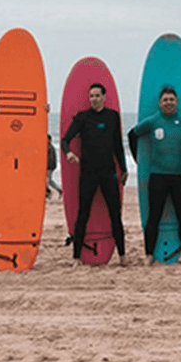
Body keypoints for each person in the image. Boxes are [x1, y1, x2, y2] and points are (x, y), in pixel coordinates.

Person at [128, 86, 181, 264]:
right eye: (165, 100)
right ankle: (148, 256)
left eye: (171, 100)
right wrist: (138, 160)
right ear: (160, 103)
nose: (168, 103)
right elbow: (132, 135)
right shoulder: (153, 121)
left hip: (180, 177)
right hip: (158, 178)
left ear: (176, 102)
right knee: (153, 217)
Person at [62, 82, 130, 264]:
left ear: (104, 97)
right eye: (91, 96)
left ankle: (123, 256)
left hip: (109, 172)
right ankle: (76, 257)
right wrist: (69, 153)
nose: (94, 99)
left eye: (97, 95)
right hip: (88, 173)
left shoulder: (113, 117)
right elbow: (65, 140)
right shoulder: (83, 118)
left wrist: (124, 168)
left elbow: (118, 146)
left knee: (115, 214)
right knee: (82, 214)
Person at [46, 134, 60, 201]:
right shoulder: (51, 146)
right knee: (49, 180)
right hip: (51, 166)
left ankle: (48, 194)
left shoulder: (49, 147)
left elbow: (50, 158)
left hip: (49, 166)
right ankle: (58, 190)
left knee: (48, 181)